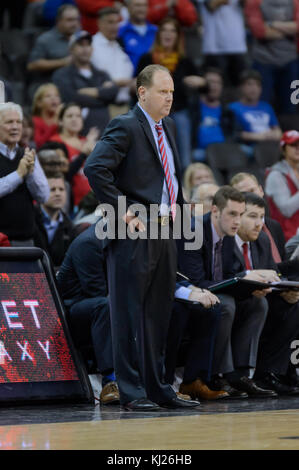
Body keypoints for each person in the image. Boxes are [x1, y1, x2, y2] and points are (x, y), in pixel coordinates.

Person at [84, 64, 199, 410]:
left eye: (173, 92)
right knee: (130, 313)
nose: (169, 98)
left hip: (166, 228)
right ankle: (132, 391)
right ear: (142, 93)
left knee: (158, 313)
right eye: (163, 92)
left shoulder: (170, 126)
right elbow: (95, 168)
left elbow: (170, 176)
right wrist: (124, 210)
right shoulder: (125, 124)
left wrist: (180, 211)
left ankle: (158, 388)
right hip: (133, 230)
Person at [177, 186, 277, 398]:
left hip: (212, 292)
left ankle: (241, 374)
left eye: (241, 215)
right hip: (186, 295)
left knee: (257, 302)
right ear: (215, 211)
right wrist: (243, 278)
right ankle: (215, 374)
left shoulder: (228, 233)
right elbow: (195, 281)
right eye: (232, 214)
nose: (238, 221)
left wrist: (250, 285)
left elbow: (230, 275)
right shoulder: (194, 232)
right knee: (225, 304)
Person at [234, 192, 299, 395]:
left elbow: (273, 274)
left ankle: (270, 373)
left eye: (261, 217)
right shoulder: (227, 239)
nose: (259, 223)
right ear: (237, 217)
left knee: (294, 305)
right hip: (235, 297)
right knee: (257, 305)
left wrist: (286, 292)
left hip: (261, 296)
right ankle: (238, 375)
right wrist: (250, 277)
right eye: (252, 216)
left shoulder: (261, 238)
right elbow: (223, 276)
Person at [56, 223, 119, 405]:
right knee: (105, 306)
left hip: (99, 302)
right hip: (73, 309)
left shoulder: (126, 240)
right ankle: (110, 380)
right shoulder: (90, 242)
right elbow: (95, 291)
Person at [136, 17, 205, 170]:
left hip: (179, 111)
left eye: (172, 31)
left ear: (178, 36)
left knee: (184, 157)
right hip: (152, 115)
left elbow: (204, 87)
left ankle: (183, 190)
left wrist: (201, 82)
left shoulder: (185, 61)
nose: (168, 34)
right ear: (159, 35)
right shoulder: (147, 59)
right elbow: (137, 86)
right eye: (164, 30)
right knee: (152, 156)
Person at [0, 102, 49, 246]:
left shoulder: (27, 154)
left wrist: (30, 174)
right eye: (9, 122)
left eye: (18, 122)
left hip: (26, 241)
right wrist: (19, 174)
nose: (15, 127)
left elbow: (44, 196)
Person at [52, 30, 118, 135]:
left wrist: (92, 92)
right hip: (78, 133)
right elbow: (71, 97)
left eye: (88, 45)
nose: (85, 49)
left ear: (92, 49)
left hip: (104, 132)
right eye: (81, 45)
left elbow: (113, 93)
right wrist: (102, 96)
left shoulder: (101, 74)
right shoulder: (62, 74)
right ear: (71, 49)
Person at [245, 0, 299, 114]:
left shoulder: (295, 2)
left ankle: (291, 131)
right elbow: (259, 31)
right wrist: (290, 28)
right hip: (263, 61)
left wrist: (271, 24)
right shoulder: (254, 2)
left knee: (292, 106)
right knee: (262, 104)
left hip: (290, 60)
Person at [49, 103, 99, 207]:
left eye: (78, 116)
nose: (74, 119)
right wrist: (84, 154)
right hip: (71, 204)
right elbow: (63, 175)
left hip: (95, 201)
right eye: (69, 116)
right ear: (61, 121)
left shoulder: (87, 141)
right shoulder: (55, 143)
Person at [27, 4, 81, 95]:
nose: (74, 24)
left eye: (76, 19)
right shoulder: (46, 39)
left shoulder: (81, 38)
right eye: (70, 20)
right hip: (51, 86)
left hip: (76, 85)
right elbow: (32, 65)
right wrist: (62, 62)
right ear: (58, 21)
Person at [91, 7, 135, 114]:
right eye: (110, 22)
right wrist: (119, 82)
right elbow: (92, 79)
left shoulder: (119, 47)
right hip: (102, 108)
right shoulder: (91, 46)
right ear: (99, 23)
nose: (114, 26)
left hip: (125, 107)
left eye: (116, 22)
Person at [229, 69, 282, 157]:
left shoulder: (266, 107)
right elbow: (235, 134)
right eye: (249, 84)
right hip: (249, 148)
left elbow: (278, 131)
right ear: (241, 87)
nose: (254, 88)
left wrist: (271, 135)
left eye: (257, 85)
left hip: (270, 146)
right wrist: (260, 137)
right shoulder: (233, 108)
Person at [190, 67, 237, 162]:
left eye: (218, 83)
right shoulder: (192, 108)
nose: (214, 86)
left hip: (224, 151)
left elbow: (233, 135)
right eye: (210, 82)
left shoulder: (228, 111)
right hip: (201, 153)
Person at [33, 173, 77, 269]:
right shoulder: (29, 220)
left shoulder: (70, 227)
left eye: (61, 189)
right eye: (52, 189)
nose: (58, 193)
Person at [200, 0, 248, 87]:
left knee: (239, 88)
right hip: (213, 48)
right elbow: (210, 5)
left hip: (237, 45)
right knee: (214, 88)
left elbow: (247, 4)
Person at [265, 130, 299, 241]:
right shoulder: (276, 174)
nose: (298, 148)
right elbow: (286, 210)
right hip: (288, 238)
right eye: (293, 145)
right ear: (283, 149)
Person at [118, 0, 158, 75]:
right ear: (128, 8)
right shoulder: (120, 31)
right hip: (129, 81)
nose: (141, 9)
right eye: (137, 5)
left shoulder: (156, 31)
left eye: (144, 5)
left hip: (153, 79)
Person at [32, 83, 62, 149]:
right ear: (39, 103)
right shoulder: (35, 121)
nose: (53, 98)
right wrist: (54, 123)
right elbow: (39, 144)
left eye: (56, 96)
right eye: (48, 96)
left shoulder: (64, 120)